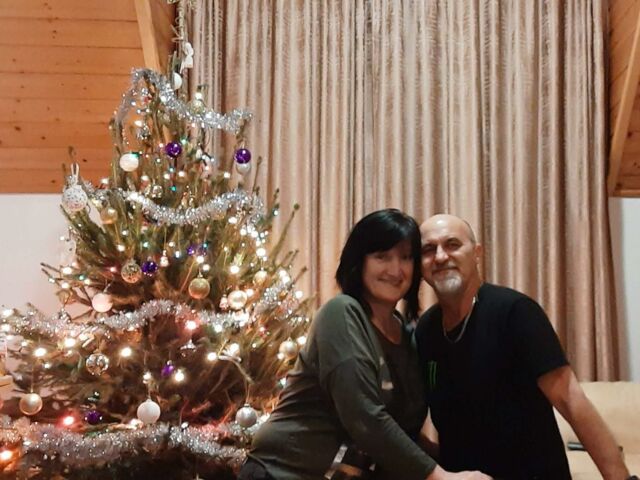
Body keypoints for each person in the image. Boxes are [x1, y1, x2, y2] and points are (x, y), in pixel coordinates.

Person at [239, 209, 491, 480]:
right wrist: (441, 477)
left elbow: (402, 430)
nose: (395, 270)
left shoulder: (407, 336)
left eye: (406, 257)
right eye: (382, 256)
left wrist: (453, 464)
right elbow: (364, 417)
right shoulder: (342, 313)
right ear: (359, 262)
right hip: (281, 472)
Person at [415, 213, 632, 479]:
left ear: (477, 253)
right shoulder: (426, 329)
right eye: (429, 249)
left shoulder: (515, 312)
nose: (440, 257)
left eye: (452, 244)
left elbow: (569, 398)